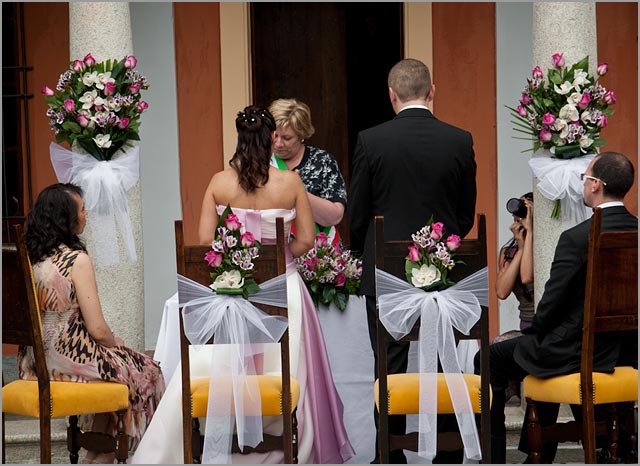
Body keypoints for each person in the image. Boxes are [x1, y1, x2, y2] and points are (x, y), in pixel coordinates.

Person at [132, 106, 354, 464]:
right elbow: (308, 240)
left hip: (232, 293)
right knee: (288, 368)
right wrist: (282, 259)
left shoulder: (219, 182)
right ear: (270, 141)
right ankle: (282, 441)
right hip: (285, 287)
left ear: (240, 140)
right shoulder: (290, 183)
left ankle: (214, 437)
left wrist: (238, 261)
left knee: (215, 361)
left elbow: (205, 241)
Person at [347, 58, 477, 463]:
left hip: (385, 274)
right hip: (443, 269)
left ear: (392, 95)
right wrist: (438, 246)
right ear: (432, 90)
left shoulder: (371, 140)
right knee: (445, 358)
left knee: (388, 363)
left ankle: (389, 454)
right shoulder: (459, 139)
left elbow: (358, 213)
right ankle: (448, 453)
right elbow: (465, 214)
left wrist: (360, 254)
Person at [486, 151, 638, 463]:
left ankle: (494, 457)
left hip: (578, 351)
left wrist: (536, 332)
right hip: (626, 351)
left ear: (595, 185)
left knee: (490, 357)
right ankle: (615, 449)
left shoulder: (576, 237)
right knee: (534, 349)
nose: (582, 185)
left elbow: (550, 305)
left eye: (585, 179)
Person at [19, 183, 165, 464]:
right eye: (83, 210)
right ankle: (117, 452)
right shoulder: (76, 260)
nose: (86, 215)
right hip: (70, 357)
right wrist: (116, 343)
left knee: (117, 372)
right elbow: (97, 330)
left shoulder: (30, 259)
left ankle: (98, 456)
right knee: (146, 369)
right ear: (67, 219)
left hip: (35, 362)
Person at [269, 98, 347, 246]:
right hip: (275, 254)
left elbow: (335, 216)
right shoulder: (262, 163)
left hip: (318, 255)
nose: (278, 143)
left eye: (286, 138)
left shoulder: (322, 161)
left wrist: (298, 191)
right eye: (275, 135)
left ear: (302, 135)